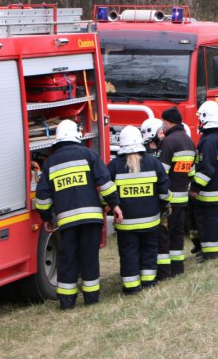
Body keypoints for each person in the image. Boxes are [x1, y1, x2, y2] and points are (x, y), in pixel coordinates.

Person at [35, 119, 122, 309]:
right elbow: (105, 183)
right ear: (77, 136)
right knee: (89, 257)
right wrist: (113, 205)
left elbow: (42, 196)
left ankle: (67, 302)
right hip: (91, 219)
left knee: (67, 259)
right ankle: (91, 300)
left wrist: (46, 218)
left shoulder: (50, 164)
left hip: (67, 222)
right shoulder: (88, 155)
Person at [107, 125, 172, 294]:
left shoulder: (114, 166)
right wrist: (166, 204)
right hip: (151, 220)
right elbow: (164, 192)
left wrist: (111, 207)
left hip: (126, 223)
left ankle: (131, 287)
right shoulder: (153, 162)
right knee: (149, 250)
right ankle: (149, 282)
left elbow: (106, 192)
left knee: (129, 253)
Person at [190, 101, 218, 261]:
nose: (199, 122)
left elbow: (207, 170)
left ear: (206, 119)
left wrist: (194, 187)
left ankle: (211, 253)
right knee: (216, 221)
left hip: (210, 192)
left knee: (208, 222)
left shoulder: (209, 141)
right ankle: (214, 248)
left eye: (200, 119)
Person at [157, 106, 196, 278]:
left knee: (164, 236)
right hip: (183, 198)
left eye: (163, 122)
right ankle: (178, 269)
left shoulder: (168, 142)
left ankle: (164, 272)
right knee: (177, 235)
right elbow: (191, 172)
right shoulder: (189, 141)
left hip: (169, 199)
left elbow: (161, 173)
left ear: (167, 122)